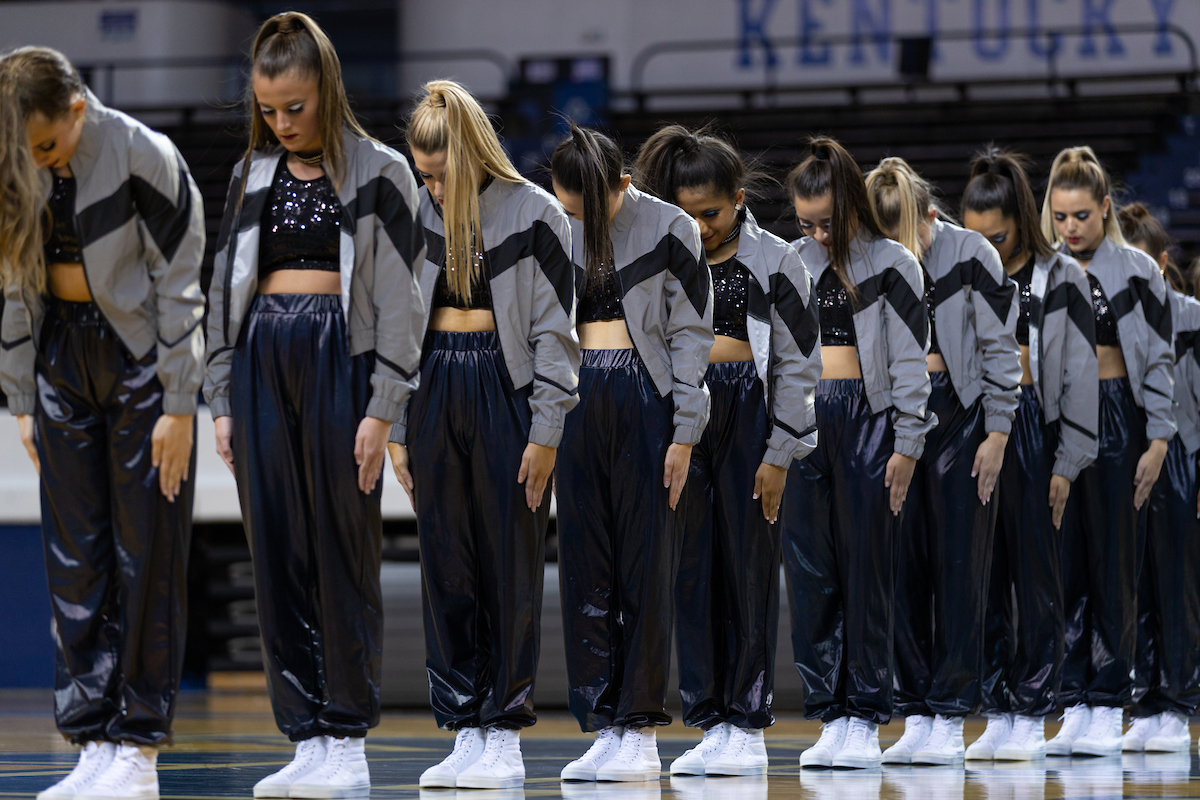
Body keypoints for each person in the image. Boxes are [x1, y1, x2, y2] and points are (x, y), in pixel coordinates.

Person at [204, 13, 426, 797]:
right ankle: (303, 734)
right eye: (268, 109)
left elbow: (401, 300)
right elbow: (223, 291)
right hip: (264, 355)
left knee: (343, 544)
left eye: (294, 106)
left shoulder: (383, 171)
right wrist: (222, 396)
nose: (281, 123)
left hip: (343, 354)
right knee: (277, 546)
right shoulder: (249, 177)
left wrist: (382, 406)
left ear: (326, 89)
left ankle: (347, 733)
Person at [0, 46, 205, 800]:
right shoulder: (12, 156)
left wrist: (180, 402)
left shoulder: (146, 155)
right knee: (75, 557)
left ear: (79, 111)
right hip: (60, 357)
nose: (40, 163)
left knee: (145, 553)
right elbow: (12, 283)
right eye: (27, 153)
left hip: (139, 360)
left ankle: (139, 748)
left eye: (49, 147)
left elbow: (182, 285)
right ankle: (90, 738)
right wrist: (22, 397)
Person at [387, 81, 577, 791]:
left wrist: (548, 426)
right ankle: (464, 726)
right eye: (421, 175)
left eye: (439, 175)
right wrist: (399, 423)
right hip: (433, 383)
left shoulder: (535, 213)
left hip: (506, 386)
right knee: (448, 564)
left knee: (509, 562)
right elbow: (398, 329)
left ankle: (504, 733)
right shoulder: (414, 215)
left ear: (471, 158)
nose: (430, 187)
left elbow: (558, 333)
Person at [633, 124, 822, 776]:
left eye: (710, 214)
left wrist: (779, 452)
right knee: (690, 571)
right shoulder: (662, 255)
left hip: (747, 410)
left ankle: (747, 723)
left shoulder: (777, 260)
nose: (700, 226)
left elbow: (800, 364)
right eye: (686, 215)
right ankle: (708, 718)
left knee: (746, 569)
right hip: (684, 412)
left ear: (738, 198)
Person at [551, 123, 713, 782]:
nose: (580, 222)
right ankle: (604, 721)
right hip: (574, 395)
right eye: (569, 210)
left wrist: (683, 432)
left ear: (623, 183)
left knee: (645, 561)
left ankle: (641, 726)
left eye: (593, 208)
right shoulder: (556, 226)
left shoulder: (672, 226)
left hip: (644, 393)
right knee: (586, 561)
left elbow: (692, 335)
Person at [783, 138, 934, 770]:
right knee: (813, 575)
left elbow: (909, 363)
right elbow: (779, 355)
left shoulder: (894, 262)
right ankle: (832, 712)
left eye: (827, 223)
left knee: (868, 572)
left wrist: (907, 442)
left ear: (853, 207)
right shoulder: (790, 261)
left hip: (868, 420)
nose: (817, 235)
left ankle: (868, 714)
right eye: (804, 223)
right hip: (806, 421)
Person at [865, 156, 1021, 766]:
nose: (904, 251)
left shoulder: (971, 252)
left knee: (960, 572)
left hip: (962, 416)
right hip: (898, 414)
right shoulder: (873, 255)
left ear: (931, 215)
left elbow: (1000, 346)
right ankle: (918, 710)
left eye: (911, 238)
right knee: (902, 570)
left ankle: (952, 713)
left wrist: (998, 431)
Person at [962, 147, 1098, 761]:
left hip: (1033, 433)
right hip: (972, 432)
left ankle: (1037, 708)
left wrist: (1068, 462)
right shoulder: (964, 270)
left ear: (1021, 217)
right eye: (974, 236)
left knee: (1039, 579)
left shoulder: (1060, 274)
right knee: (982, 578)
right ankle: (997, 709)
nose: (984, 247)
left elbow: (1077, 375)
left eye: (996, 236)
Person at [1040, 147, 1175, 757]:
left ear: (1104, 209)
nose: (1070, 228)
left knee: (1116, 565)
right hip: (1061, 421)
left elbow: (1163, 359)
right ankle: (1074, 700)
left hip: (1119, 414)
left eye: (1081, 217)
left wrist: (1159, 438)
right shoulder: (1043, 272)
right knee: (1065, 564)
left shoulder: (1139, 271)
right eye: (1060, 216)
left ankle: (1109, 698)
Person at [1119, 203, 1198, 754]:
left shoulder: (1189, 315)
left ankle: (1180, 701)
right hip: (1130, 462)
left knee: (1178, 589)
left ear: (1163, 264)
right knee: (1135, 588)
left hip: (1182, 459)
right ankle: (1145, 699)